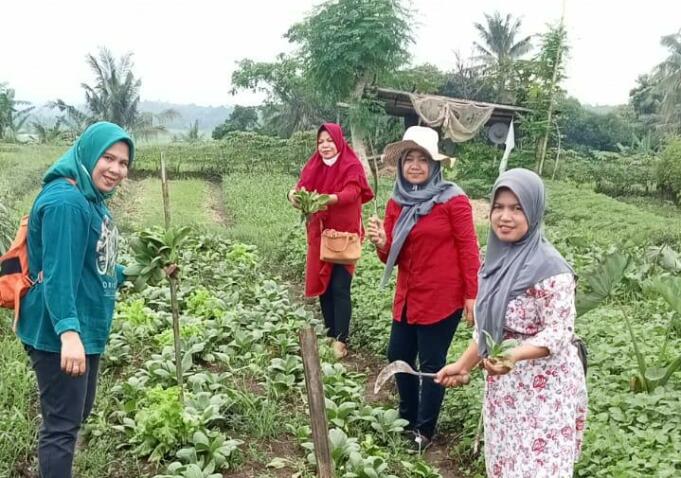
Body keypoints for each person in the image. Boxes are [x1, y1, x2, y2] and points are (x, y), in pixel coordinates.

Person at [435, 168, 588, 477]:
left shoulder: (551, 268)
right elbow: (488, 330)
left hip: (545, 389)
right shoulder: (492, 260)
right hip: (505, 391)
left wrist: (514, 355)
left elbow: (559, 332)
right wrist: (463, 365)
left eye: (517, 208)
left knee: (538, 468)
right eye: (499, 207)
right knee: (506, 464)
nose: (505, 216)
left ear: (534, 211)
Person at [17, 121, 134, 478]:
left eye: (123, 163)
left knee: (74, 413)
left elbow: (95, 264)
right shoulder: (67, 202)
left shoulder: (91, 199)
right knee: (62, 427)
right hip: (61, 333)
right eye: (108, 158)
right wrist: (69, 334)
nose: (115, 169)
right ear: (88, 154)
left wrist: (146, 269)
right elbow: (57, 274)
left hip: (83, 327)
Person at [366, 126, 480, 452]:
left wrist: (472, 294)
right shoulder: (396, 202)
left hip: (441, 298)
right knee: (398, 354)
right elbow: (391, 255)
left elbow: (468, 249)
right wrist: (382, 243)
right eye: (409, 159)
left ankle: (424, 430)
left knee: (432, 365)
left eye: (423, 159)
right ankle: (407, 416)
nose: (415, 165)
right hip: (407, 296)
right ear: (401, 164)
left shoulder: (453, 200)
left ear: (435, 165)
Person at [288, 123, 373, 358]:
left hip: (344, 235)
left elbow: (352, 193)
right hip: (319, 235)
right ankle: (329, 333)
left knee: (339, 286)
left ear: (339, 141)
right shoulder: (314, 165)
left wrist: (327, 199)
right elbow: (299, 188)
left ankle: (341, 340)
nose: (325, 146)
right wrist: (293, 196)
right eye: (320, 142)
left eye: (329, 141)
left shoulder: (351, 164)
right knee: (323, 287)